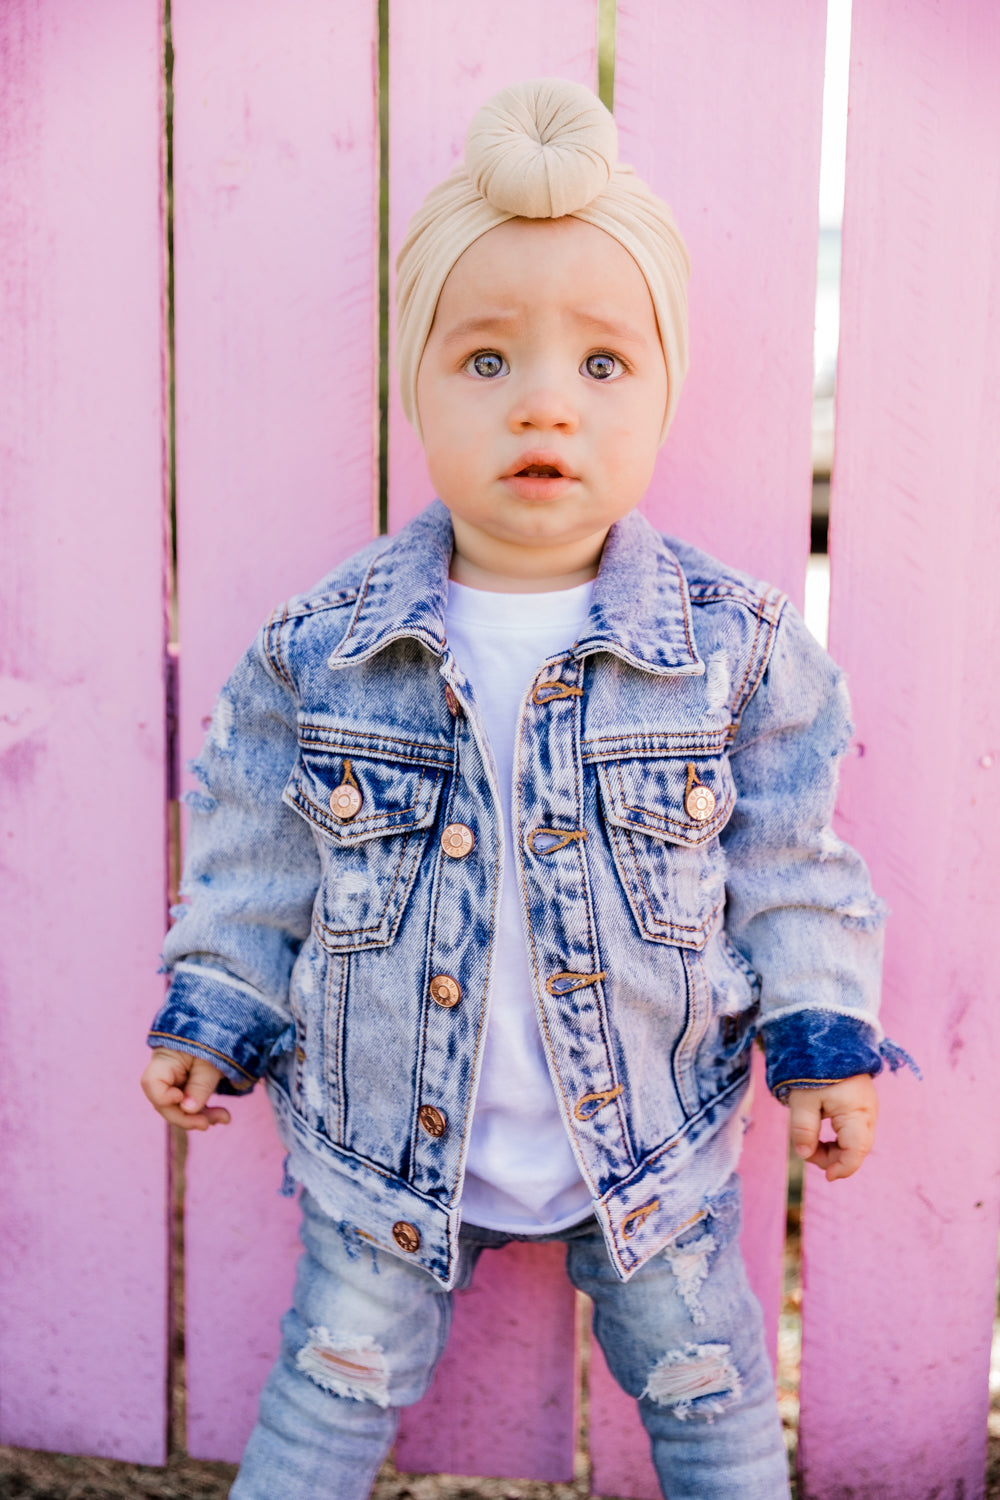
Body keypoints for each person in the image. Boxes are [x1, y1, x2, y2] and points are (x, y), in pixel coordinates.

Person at [141, 78, 909, 1500]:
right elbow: (254, 855)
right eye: (486, 361)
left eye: (603, 366)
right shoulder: (322, 650)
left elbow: (793, 863)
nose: (544, 399)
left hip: (653, 1152)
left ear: (668, 392)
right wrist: (219, 1003)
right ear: (416, 390)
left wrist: (825, 1028)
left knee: (712, 1394)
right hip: (384, 1153)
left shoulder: (732, 651)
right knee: (327, 1391)